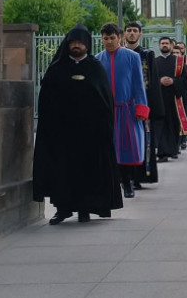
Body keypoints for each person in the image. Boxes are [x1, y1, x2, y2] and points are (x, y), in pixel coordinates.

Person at [33, 23, 123, 224]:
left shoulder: (95, 68)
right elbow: (47, 99)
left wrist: (102, 125)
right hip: (63, 134)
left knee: (87, 172)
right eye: (73, 42)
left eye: (80, 43)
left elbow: (105, 100)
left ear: (87, 45)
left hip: (89, 134)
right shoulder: (57, 68)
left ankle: (85, 209)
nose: (76, 46)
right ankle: (62, 210)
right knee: (62, 173)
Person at [95, 23, 149, 199]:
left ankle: (128, 183)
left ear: (119, 37)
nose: (109, 41)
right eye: (106, 38)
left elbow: (138, 84)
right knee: (108, 149)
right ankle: (111, 184)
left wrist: (141, 107)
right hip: (105, 112)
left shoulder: (132, 57)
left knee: (127, 148)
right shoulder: (97, 59)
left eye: (112, 38)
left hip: (127, 110)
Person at [123, 21, 163, 188]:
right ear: (124, 34)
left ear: (140, 34)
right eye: (129, 30)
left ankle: (139, 177)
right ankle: (124, 177)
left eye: (135, 31)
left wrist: (151, 109)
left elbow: (153, 82)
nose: (132, 33)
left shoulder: (147, 55)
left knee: (141, 141)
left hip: (141, 105)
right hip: (123, 106)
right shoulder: (120, 54)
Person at [153, 37, 187, 161]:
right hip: (159, 99)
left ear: (171, 45)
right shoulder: (154, 62)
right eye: (162, 43)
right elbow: (149, 80)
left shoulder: (179, 62)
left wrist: (173, 81)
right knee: (161, 126)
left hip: (174, 99)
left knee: (173, 125)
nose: (164, 45)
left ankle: (173, 149)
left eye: (166, 43)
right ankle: (162, 153)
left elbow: (186, 81)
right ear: (159, 46)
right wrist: (159, 81)